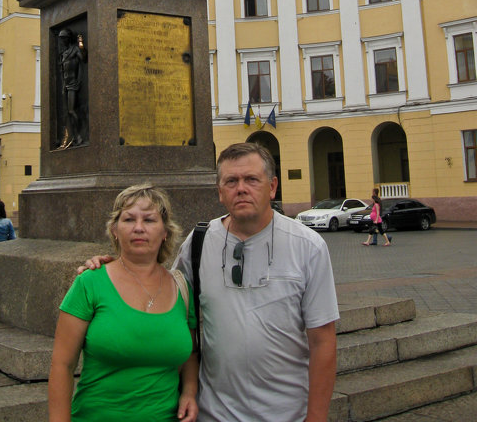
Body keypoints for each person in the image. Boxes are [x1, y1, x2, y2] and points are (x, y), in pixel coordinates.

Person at [81, 144, 339, 422]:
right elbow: (163, 288)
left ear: (272, 186)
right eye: (231, 181)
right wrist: (115, 268)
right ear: (219, 191)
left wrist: (316, 417)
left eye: (251, 179)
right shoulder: (199, 242)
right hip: (214, 413)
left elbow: (323, 341)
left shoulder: (309, 246)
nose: (241, 188)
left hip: (287, 413)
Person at [48, 184, 198, 422]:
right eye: (128, 219)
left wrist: (189, 391)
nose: (139, 228)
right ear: (115, 230)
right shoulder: (90, 282)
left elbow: (190, 352)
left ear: (165, 232)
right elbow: (62, 365)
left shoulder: (181, 288)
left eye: (149, 220)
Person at [57, 28, 88, 148]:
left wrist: (81, 43)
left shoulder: (74, 50)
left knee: (71, 110)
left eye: (64, 38)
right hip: (65, 85)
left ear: (69, 38)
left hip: (73, 84)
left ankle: (79, 135)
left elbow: (84, 58)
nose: (62, 40)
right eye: (61, 38)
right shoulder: (63, 53)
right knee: (66, 113)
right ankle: (70, 136)